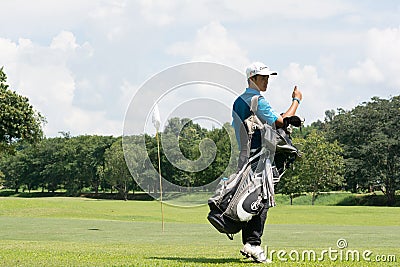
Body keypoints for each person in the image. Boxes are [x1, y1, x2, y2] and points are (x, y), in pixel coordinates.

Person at [232, 61, 303, 263]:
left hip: (245, 155)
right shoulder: (257, 99)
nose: (266, 81)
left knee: (250, 199)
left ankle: (249, 244)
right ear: (251, 79)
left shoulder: (239, 100)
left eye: (267, 77)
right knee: (262, 200)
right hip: (260, 158)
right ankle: (253, 244)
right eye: (262, 77)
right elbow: (281, 122)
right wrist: (296, 101)